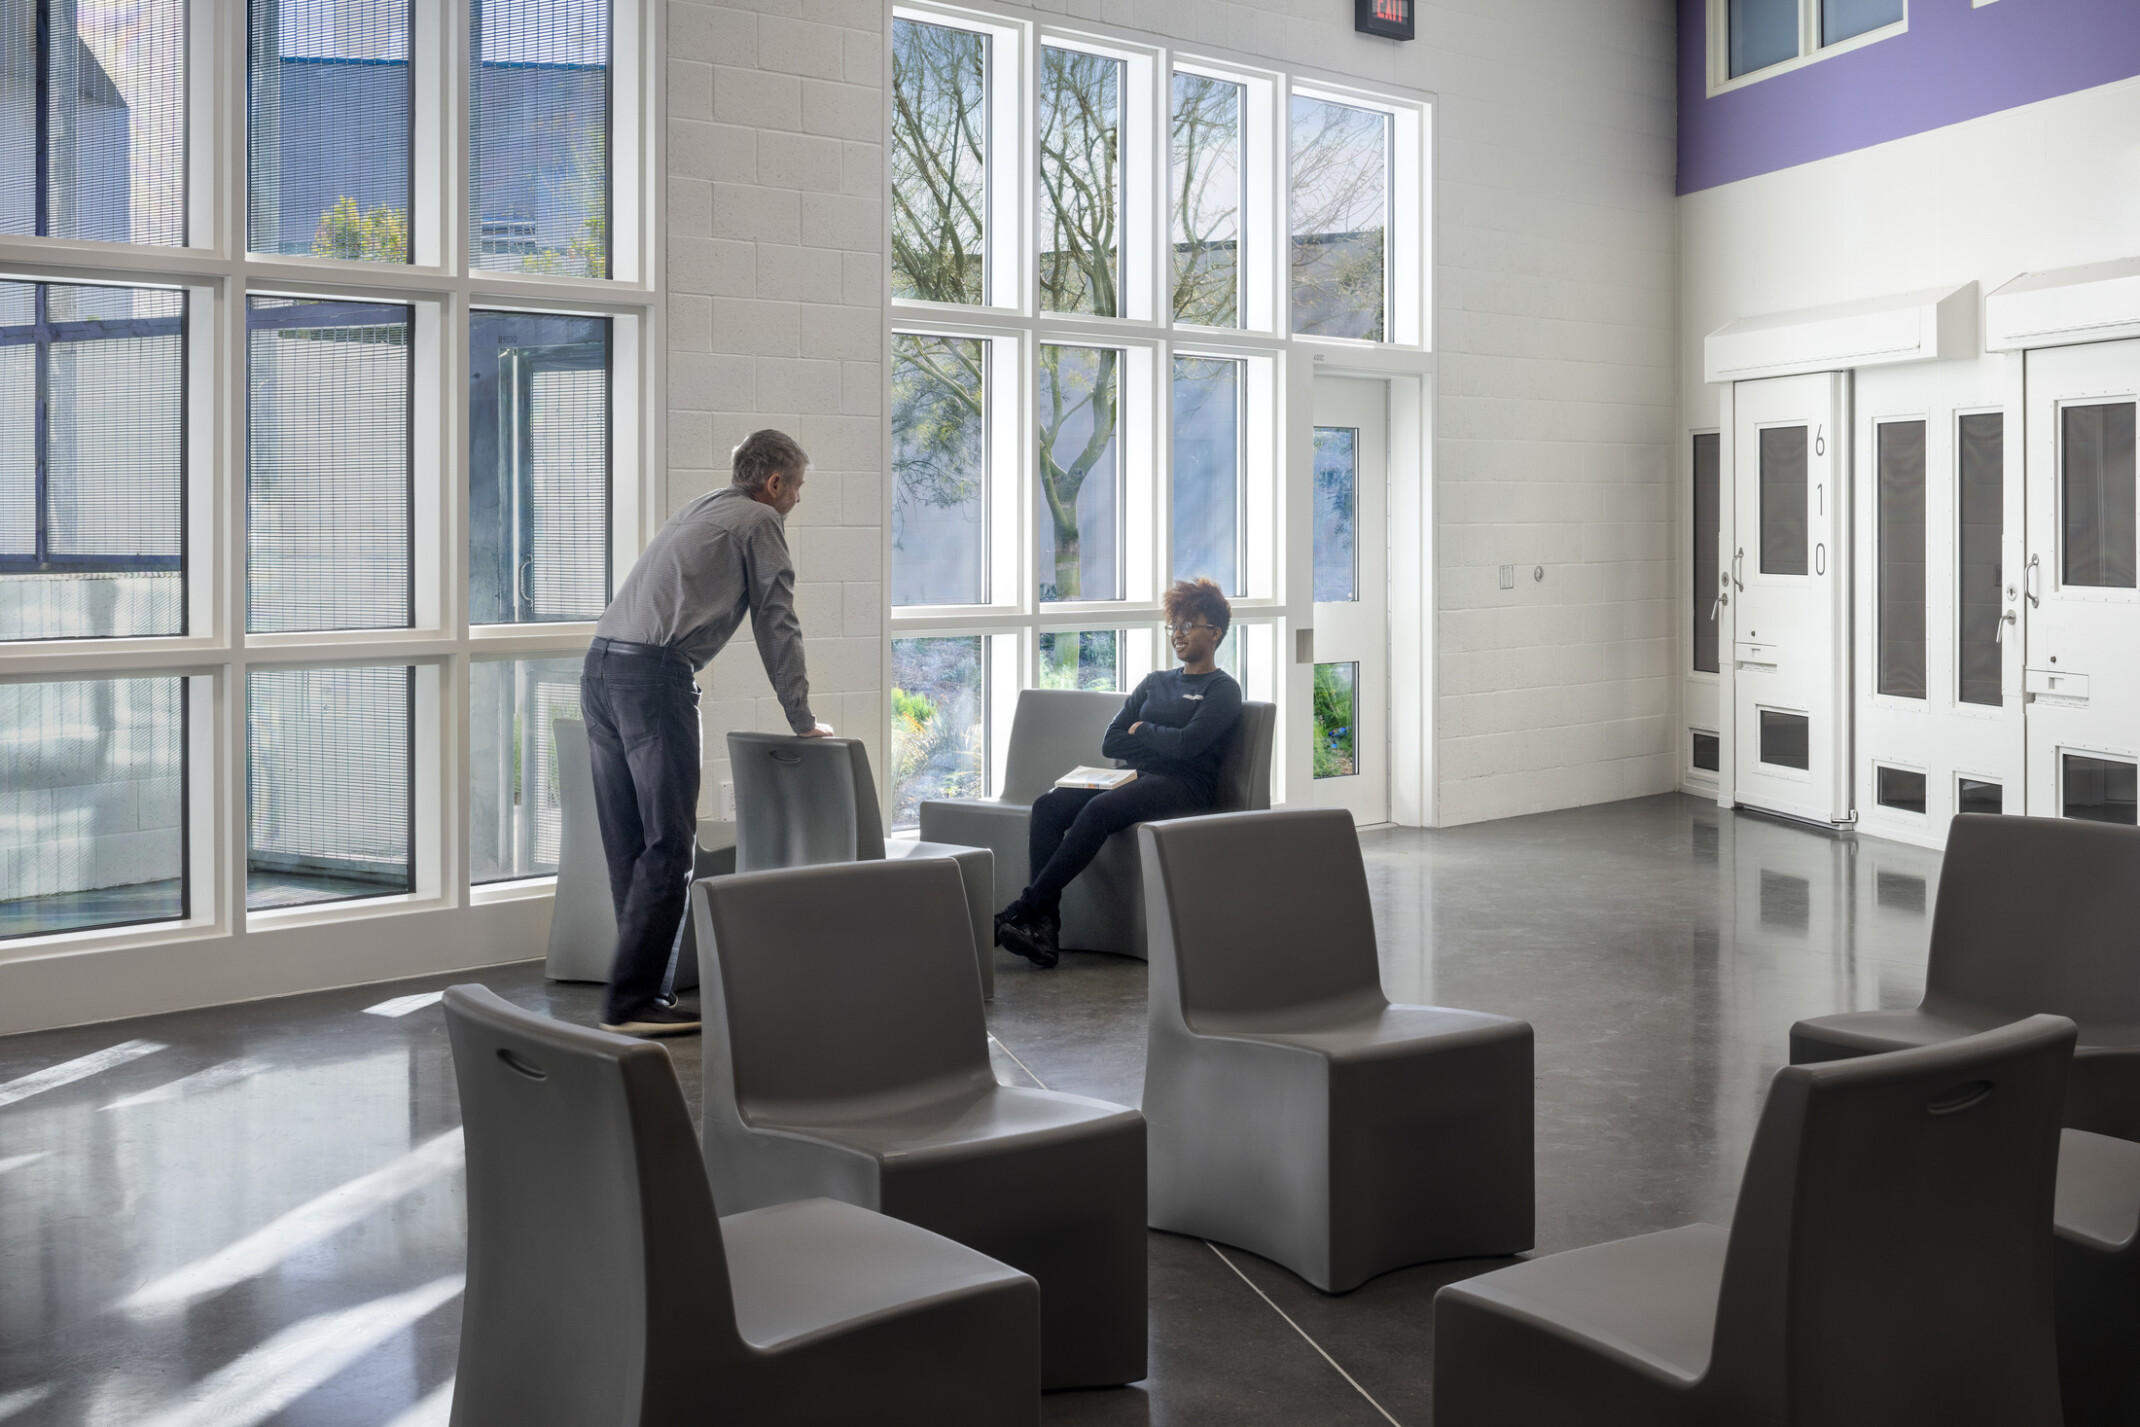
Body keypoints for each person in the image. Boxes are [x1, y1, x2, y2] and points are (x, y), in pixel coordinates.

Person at [581, 430, 831, 1036]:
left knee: (633, 844)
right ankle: (632, 1003)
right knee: (670, 846)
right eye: (797, 487)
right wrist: (802, 718)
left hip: (600, 667)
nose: (797, 499)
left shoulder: (706, 506)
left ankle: (638, 995)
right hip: (652, 678)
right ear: (775, 483)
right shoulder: (758, 519)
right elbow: (777, 619)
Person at [995, 578, 1244, 969]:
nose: (1177, 635)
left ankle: (1021, 910)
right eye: (1173, 626)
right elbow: (1111, 742)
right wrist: (1159, 738)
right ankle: (1044, 930)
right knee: (1048, 806)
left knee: (1097, 810)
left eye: (1187, 626)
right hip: (1133, 776)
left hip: (1184, 786)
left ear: (1213, 634)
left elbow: (1188, 748)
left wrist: (1142, 730)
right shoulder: (1155, 682)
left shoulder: (1223, 689)